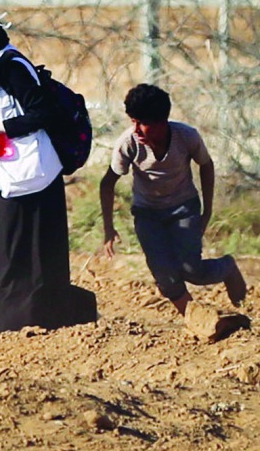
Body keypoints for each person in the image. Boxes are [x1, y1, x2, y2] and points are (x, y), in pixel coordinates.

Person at [0, 4, 97, 332]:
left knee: (43, 253)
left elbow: (44, 113)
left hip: (39, 175)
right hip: (13, 176)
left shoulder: (12, 67)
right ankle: (14, 319)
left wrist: (3, 128)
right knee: (9, 249)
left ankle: (41, 319)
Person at [100, 83, 246, 315]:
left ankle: (228, 270)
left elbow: (206, 165)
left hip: (183, 209)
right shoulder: (128, 143)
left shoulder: (186, 136)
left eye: (143, 123)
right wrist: (108, 227)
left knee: (192, 270)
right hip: (147, 214)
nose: (136, 129)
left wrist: (206, 212)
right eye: (133, 121)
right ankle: (200, 321)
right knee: (165, 278)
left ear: (162, 122)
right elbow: (107, 183)